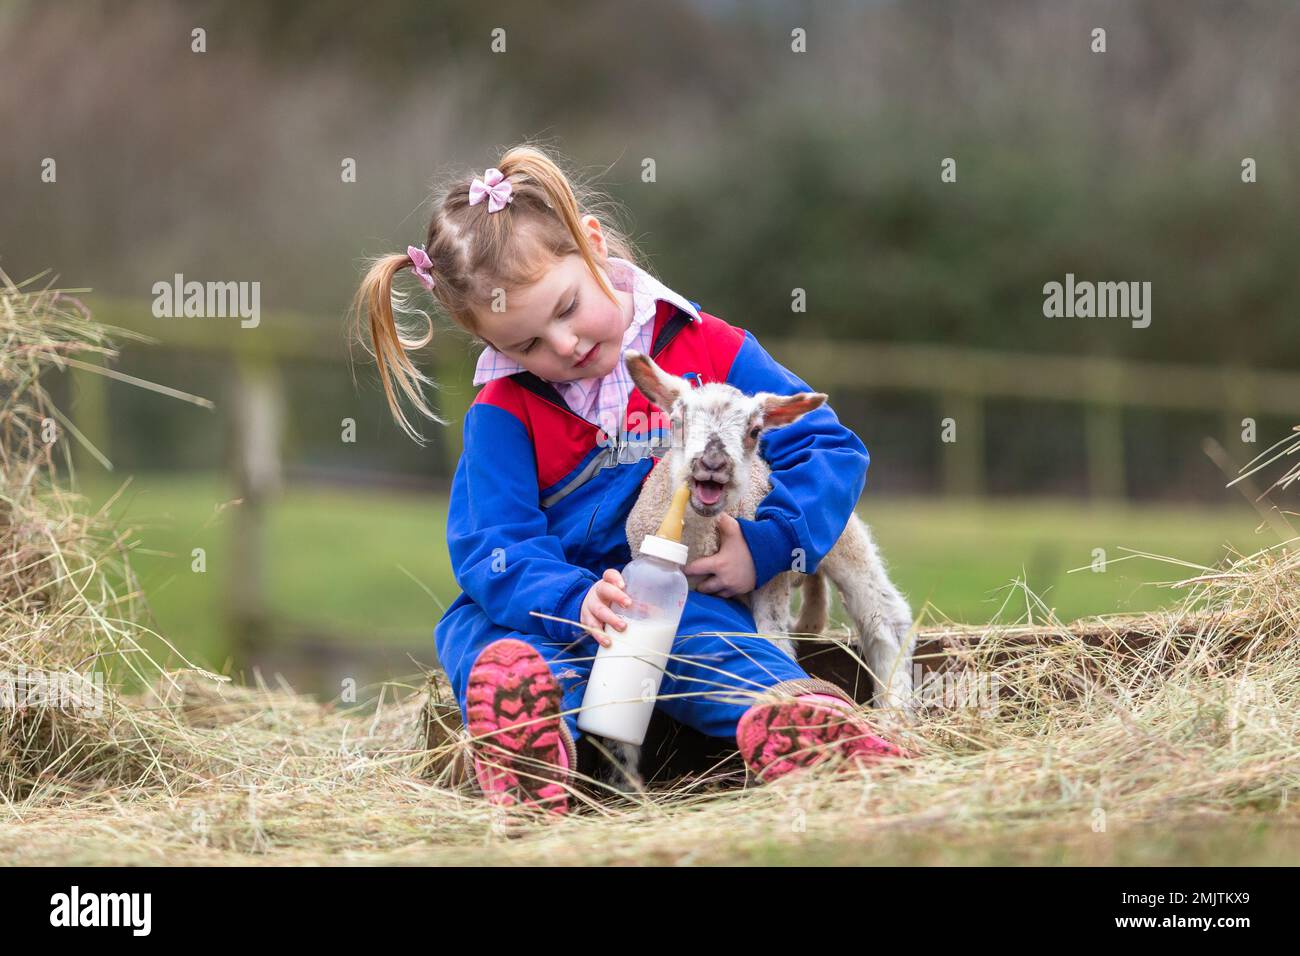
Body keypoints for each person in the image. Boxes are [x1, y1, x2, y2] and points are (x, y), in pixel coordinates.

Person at [351, 144, 905, 816]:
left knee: (707, 636)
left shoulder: (708, 349)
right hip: (560, 609)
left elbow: (824, 445)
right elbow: (490, 542)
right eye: (524, 344)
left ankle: (797, 721)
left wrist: (766, 546)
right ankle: (534, 736)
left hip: (677, 595)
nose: (562, 347)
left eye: (566, 307)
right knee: (478, 633)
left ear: (591, 246)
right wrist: (571, 597)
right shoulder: (503, 412)